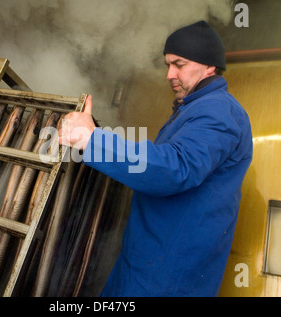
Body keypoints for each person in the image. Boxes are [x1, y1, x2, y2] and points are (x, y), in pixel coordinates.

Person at [58, 20, 253, 297]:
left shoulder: (219, 111)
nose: (169, 74)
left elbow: (175, 168)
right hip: (146, 264)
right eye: (167, 65)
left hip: (167, 279)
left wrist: (93, 140)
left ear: (209, 65)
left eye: (179, 64)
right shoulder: (194, 108)